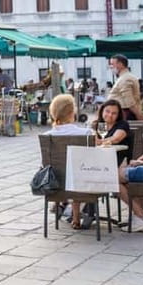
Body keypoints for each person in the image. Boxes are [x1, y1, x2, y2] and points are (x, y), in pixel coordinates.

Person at [45, 93, 93, 229]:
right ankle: (77, 217)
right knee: (78, 172)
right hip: (80, 179)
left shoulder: (47, 136)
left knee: (69, 172)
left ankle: (61, 203)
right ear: (72, 112)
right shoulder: (85, 133)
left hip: (55, 179)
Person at [108, 54, 143, 120]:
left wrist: (139, 115)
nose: (111, 67)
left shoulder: (126, 78)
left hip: (125, 114)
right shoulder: (124, 77)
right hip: (122, 112)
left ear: (120, 64)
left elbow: (129, 101)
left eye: (112, 64)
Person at [92, 99, 131, 165]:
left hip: (117, 158)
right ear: (102, 111)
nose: (110, 115)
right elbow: (93, 138)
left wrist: (99, 141)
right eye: (107, 111)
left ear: (118, 115)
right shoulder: (100, 124)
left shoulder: (122, 124)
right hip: (100, 157)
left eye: (114, 113)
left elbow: (116, 139)